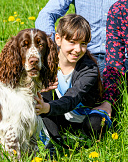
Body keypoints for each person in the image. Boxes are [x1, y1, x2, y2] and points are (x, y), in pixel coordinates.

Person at [35, 14, 110, 150]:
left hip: (85, 115)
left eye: (83, 44)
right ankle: (54, 142)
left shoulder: (89, 69)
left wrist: (48, 108)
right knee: (44, 91)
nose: (77, 49)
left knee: (96, 123)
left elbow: (73, 97)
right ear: (58, 39)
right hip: (61, 116)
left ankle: (84, 143)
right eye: (72, 42)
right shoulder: (46, 62)